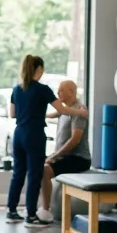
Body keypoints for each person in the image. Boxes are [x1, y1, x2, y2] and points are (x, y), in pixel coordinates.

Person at [5, 55, 88, 227]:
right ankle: (31, 216)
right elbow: (62, 110)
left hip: (18, 134)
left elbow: (12, 114)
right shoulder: (43, 89)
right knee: (35, 174)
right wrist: (80, 113)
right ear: (39, 69)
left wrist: (29, 112)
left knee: (18, 174)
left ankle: (11, 212)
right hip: (34, 135)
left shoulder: (17, 89)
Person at [38, 79, 91, 219]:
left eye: (61, 90)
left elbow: (75, 140)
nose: (57, 93)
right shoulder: (65, 109)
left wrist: (54, 156)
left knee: (45, 170)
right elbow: (53, 114)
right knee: (34, 164)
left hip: (79, 158)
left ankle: (45, 210)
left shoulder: (79, 110)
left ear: (71, 92)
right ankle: (34, 207)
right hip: (64, 156)